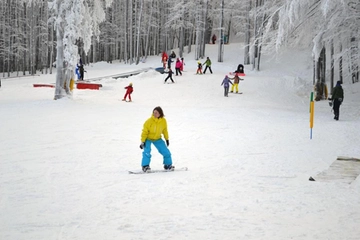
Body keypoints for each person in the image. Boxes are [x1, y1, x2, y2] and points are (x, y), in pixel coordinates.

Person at [140, 106, 174, 172]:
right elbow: (144, 132)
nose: (154, 114)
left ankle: (168, 165)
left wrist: (167, 139)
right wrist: (143, 141)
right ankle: (145, 166)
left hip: (157, 138)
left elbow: (165, 130)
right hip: (148, 138)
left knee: (166, 151)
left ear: (160, 114)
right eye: (154, 113)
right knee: (147, 151)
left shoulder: (163, 121)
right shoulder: (149, 121)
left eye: (156, 113)